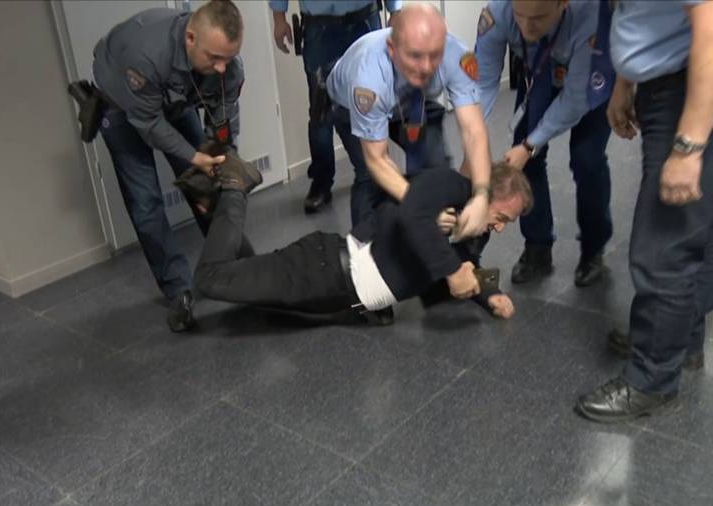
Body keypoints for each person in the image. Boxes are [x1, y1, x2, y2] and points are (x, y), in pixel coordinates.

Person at [576, 0, 713, 422]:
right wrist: (625, 81)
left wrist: (688, 146)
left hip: (688, 85)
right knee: (687, 233)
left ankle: (651, 379)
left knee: (662, 247)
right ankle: (680, 344)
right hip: (665, 82)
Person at [182, 161, 532, 323]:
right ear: (487, 195)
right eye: (502, 217)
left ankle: (215, 209)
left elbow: (463, 267)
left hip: (335, 298)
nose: (500, 228)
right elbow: (399, 213)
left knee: (247, 287)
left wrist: (489, 296)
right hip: (322, 270)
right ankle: (233, 188)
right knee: (210, 278)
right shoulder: (448, 184)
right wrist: (439, 233)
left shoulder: (476, 231)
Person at [92, 0, 248, 332]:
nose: (222, 68)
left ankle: (235, 267)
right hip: (122, 107)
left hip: (173, 98)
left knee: (208, 181)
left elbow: (223, 125)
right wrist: (194, 158)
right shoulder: (145, 53)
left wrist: (217, 167)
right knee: (146, 202)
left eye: (229, 58)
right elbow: (148, 124)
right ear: (190, 38)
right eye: (214, 58)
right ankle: (178, 289)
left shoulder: (226, 67)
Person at [474, 0, 615, 287]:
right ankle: (537, 246)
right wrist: (475, 136)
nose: (527, 28)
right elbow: (484, 82)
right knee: (525, 164)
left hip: (588, 79)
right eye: (521, 16)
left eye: (538, 18)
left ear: (563, 3)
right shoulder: (498, 11)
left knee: (587, 159)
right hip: (538, 74)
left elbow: (575, 99)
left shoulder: (590, 15)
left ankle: (593, 248)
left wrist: (530, 145)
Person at [325, 3, 493, 238]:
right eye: (415, 56)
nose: (426, 67)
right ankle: (364, 248)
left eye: (435, 55)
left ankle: (434, 243)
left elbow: (474, 132)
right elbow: (377, 160)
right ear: (392, 49)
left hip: (410, 101)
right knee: (369, 178)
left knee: (435, 165)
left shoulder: (456, 55)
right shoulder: (369, 79)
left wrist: (482, 195)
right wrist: (423, 208)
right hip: (349, 105)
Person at [270, 0, 401, 220]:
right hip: (319, 28)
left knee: (371, 102)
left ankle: (375, 173)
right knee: (321, 111)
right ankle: (322, 182)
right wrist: (278, 17)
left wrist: (395, 10)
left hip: (363, 21)